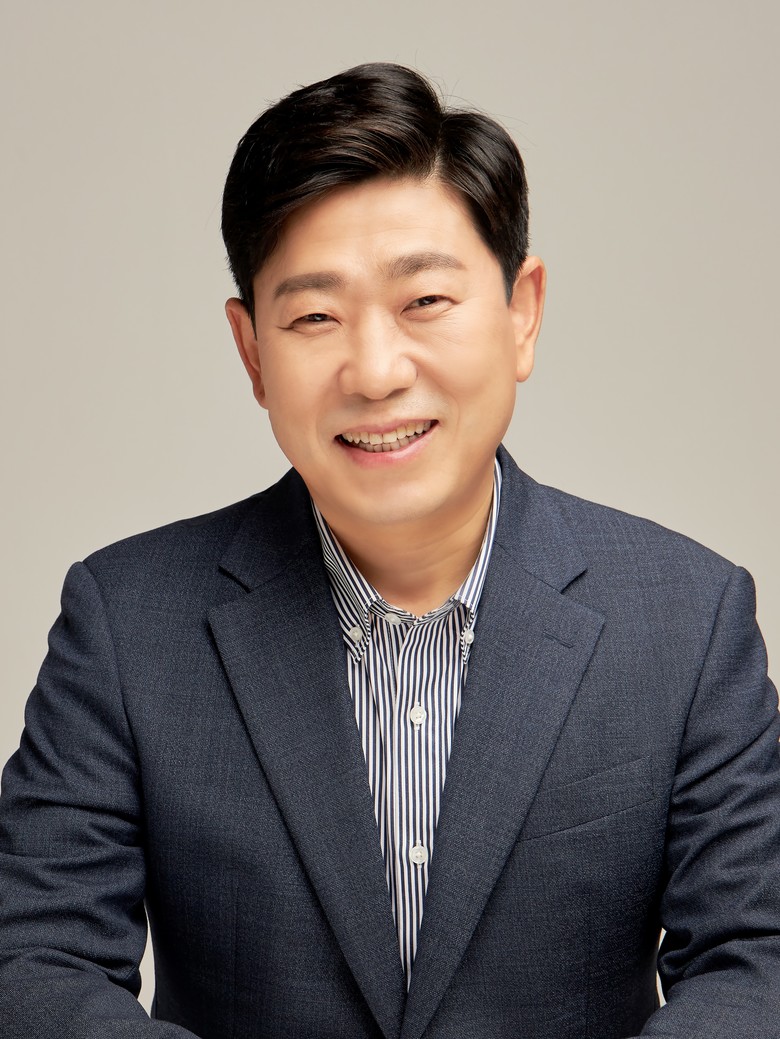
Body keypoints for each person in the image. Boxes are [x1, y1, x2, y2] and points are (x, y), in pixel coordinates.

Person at [0, 62, 778, 1039]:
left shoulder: (687, 618)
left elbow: (757, 959)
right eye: (314, 317)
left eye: (425, 302)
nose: (374, 371)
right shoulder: (126, 622)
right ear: (252, 352)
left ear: (522, 311)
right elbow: (35, 963)